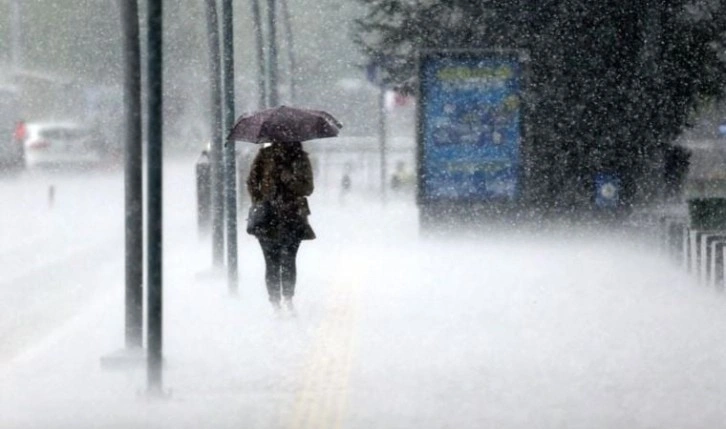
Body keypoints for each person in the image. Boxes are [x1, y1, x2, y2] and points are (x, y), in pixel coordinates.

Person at [246, 141, 315, 314]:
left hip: (293, 216)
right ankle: (275, 302)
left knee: (289, 260)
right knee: (271, 261)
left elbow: (308, 188)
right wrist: (260, 201)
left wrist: (290, 180)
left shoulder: (301, 158)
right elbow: (252, 182)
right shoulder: (264, 156)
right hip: (268, 217)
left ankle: (288, 298)